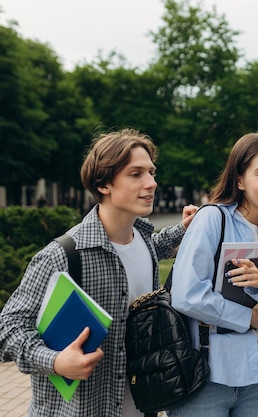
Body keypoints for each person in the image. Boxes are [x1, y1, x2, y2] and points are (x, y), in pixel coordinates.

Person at [0, 128, 199, 417]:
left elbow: (150, 249)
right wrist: (55, 361)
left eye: (152, 172)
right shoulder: (63, 255)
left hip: (141, 407)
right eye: (136, 174)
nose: (152, 183)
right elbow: (8, 328)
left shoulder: (143, 241)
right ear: (104, 185)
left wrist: (183, 230)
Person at [168, 133, 258, 417]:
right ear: (240, 180)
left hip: (257, 371)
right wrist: (248, 318)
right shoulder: (212, 218)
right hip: (205, 372)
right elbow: (186, 294)